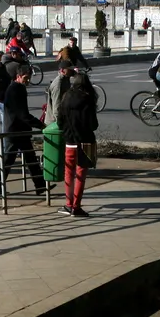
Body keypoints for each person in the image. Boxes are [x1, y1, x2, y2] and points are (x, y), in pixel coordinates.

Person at [0, 63, 47, 196]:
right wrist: (40, 125)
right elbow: (23, 114)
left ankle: (40, 185)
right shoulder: (15, 89)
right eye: (26, 78)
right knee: (9, 159)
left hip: (20, 130)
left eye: (29, 78)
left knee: (30, 158)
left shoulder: (17, 88)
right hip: (15, 131)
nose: (28, 81)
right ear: (18, 76)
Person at [56, 73, 98, 217]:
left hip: (70, 141)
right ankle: (77, 207)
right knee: (81, 174)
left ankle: (68, 204)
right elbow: (94, 125)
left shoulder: (66, 97)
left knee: (69, 172)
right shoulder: (88, 99)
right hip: (86, 142)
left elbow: (59, 121)